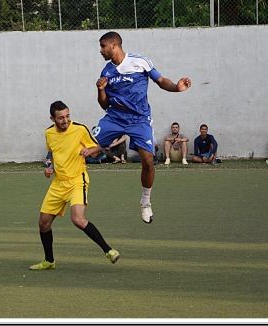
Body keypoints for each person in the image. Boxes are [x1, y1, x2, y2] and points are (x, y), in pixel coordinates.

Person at [94, 31, 191, 224]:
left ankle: (145, 201)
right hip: (115, 118)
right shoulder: (106, 72)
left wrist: (176, 88)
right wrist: (101, 90)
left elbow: (161, 80)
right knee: (88, 146)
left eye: (103, 46)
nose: (100, 50)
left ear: (114, 45)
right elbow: (104, 105)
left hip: (139, 119)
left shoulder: (140, 61)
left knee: (148, 160)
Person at [29, 101, 120, 270]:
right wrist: (49, 167)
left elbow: (99, 147)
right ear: (52, 118)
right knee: (43, 223)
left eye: (67, 116)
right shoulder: (49, 133)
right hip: (58, 183)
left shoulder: (79, 129)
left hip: (78, 179)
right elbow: (51, 153)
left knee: (78, 219)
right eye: (61, 118)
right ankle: (49, 261)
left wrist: (90, 151)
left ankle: (109, 251)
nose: (65, 120)